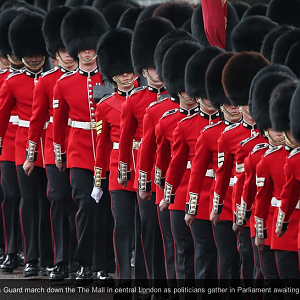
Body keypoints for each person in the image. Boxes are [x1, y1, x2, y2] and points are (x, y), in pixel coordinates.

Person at [117, 17, 174, 298]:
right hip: (144, 171)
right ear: (143, 69)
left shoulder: (176, 100)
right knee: (149, 228)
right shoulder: (134, 100)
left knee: (167, 232)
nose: (157, 71)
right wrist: (127, 172)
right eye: (152, 67)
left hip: (169, 171)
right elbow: (126, 140)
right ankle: (148, 284)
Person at [22, 6, 79, 280]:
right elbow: (36, 120)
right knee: (57, 200)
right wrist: (31, 154)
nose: (68, 55)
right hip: (51, 149)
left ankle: (79, 258)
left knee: (79, 204)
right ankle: (59, 259)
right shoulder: (46, 81)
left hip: (81, 149)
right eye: (63, 51)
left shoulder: (89, 80)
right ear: (55, 53)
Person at [52, 6, 109, 284]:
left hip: (105, 151)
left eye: (91, 46)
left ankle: (101, 265)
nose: (87, 52)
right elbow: (59, 123)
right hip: (77, 150)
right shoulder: (63, 84)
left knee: (103, 208)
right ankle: (84, 263)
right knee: (85, 203)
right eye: (82, 48)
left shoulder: (107, 80)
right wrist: (59, 154)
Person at [185, 52, 242, 300]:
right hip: (218, 202)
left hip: (242, 203)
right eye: (227, 102)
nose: (233, 107)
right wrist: (193, 206)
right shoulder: (210, 134)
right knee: (217, 257)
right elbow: (196, 173)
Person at [0, 11, 52, 277]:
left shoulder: (53, 80)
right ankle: (27, 255)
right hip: (21, 145)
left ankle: (48, 255)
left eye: (37, 53)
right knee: (25, 200)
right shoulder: (12, 82)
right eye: (29, 54)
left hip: (50, 145)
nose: (33, 58)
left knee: (49, 202)